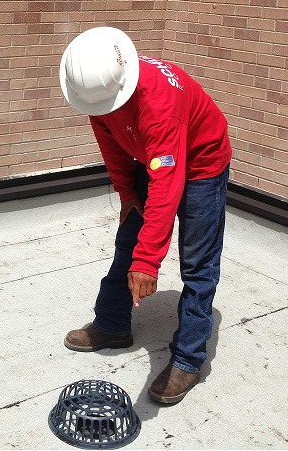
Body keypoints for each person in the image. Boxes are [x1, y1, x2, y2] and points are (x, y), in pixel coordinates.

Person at [59, 27, 232, 404]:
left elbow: (168, 184)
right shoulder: (99, 92)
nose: (102, 112)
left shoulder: (158, 103)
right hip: (150, 155)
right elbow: (113, 145)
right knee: (128, 243)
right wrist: (126, 193)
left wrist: (149, 261)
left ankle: (188, 358)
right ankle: (111, 325)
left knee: (198, 264)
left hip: (202, 162)